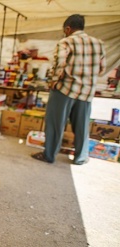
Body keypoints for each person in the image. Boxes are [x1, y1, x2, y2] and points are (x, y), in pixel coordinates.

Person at [31, 14, 106, 165]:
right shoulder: (98, 43)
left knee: (55, 123)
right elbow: (102, 69)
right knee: (82, 125)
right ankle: (81, 157)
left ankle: (49, 155)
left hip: (65, 89)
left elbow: (60, 65)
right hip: (86, 92)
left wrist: (52, 82)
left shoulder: (66, 42)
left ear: (68, 28)